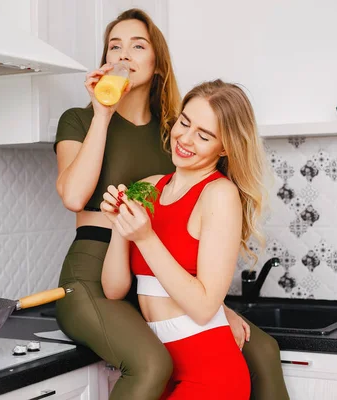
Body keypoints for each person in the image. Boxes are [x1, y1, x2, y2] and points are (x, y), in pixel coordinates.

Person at [54, 8, 290, 400]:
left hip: (152, 271)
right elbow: (75, 197)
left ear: (157, 60)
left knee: (261, 348)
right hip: (98, 263)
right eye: (115, 46)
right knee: (153, 364)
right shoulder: (80, 118)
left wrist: (214, 308)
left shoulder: (172, 134)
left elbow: (188, 230)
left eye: (138, 45)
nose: (124, 54)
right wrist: (102, 112)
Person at [100, 79, 267, 399]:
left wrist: (145, 237)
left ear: (226, 147)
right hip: (158, 369)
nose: (185, 138)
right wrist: (118, 227)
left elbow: (205, 307)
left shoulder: (219, 194)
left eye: (203, 135)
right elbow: (114, 289)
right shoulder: (148, 186)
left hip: (209, 374)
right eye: (184, 123)